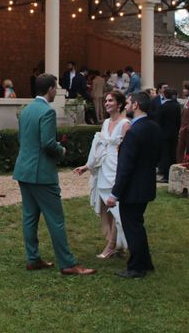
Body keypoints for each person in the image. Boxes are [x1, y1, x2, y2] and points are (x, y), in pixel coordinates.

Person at [13, 73, 96, 276]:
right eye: (55, 88)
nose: (56, 91)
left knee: (29, 217)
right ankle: (68, 263)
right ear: (50, 89)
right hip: (41, 173)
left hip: (24, 170)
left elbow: (26, 140)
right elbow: (48, 143)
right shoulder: (47, 112)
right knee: (55, 219)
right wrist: (62, 150)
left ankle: (33, 259)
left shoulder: (26, 110)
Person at [107, 91, 162, 279]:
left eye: (129, 102)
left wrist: (114, 194)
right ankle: (145, 262)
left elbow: (125, 167)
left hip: (133, 188)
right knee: (137, 224)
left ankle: (137, 267)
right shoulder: (154, 127)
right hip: (146, 184)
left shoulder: (134, 132)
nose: (127, 105)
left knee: (132, 227)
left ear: (136, 105)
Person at [74, 90, 130, 258]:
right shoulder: (105, 122)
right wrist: (87, 166)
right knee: (105, 205)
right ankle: (116, 243)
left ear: (119, 104)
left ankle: (112, 246)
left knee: (116, 207)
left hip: (116, 166)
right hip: (103, 166)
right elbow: (99, 147)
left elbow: (127, 150)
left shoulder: (125, 123)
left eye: (110, 101)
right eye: (106, 100)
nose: (106, 103)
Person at [155, 88, 181, 183]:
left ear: (165, 95)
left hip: (164, 134)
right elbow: (178, 121)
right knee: (173, 154)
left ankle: (166, 175)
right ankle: (173, 173)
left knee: (165, 155)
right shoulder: (177, 106)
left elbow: (159, 121)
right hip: (174, 133)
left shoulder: (163, 107)